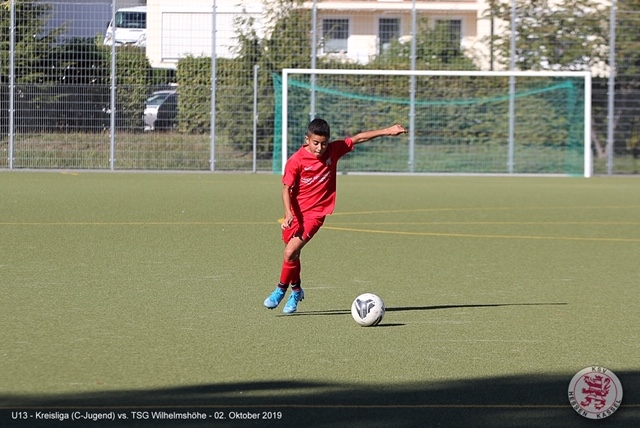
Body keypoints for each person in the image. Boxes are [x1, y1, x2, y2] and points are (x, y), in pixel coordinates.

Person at [263, 118, 407, 314]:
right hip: (296, 214)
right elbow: (285, 188)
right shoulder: (296, 161)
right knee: (293, 254)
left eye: (324, 143)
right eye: (316, 143)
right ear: (307, 140)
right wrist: (288, 213)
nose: (320, 148)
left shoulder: (333, 150)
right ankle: (296, 291)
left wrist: (388, 130)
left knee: (290, 252)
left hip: (316, 214)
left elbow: (358, 138)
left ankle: (280, 290)